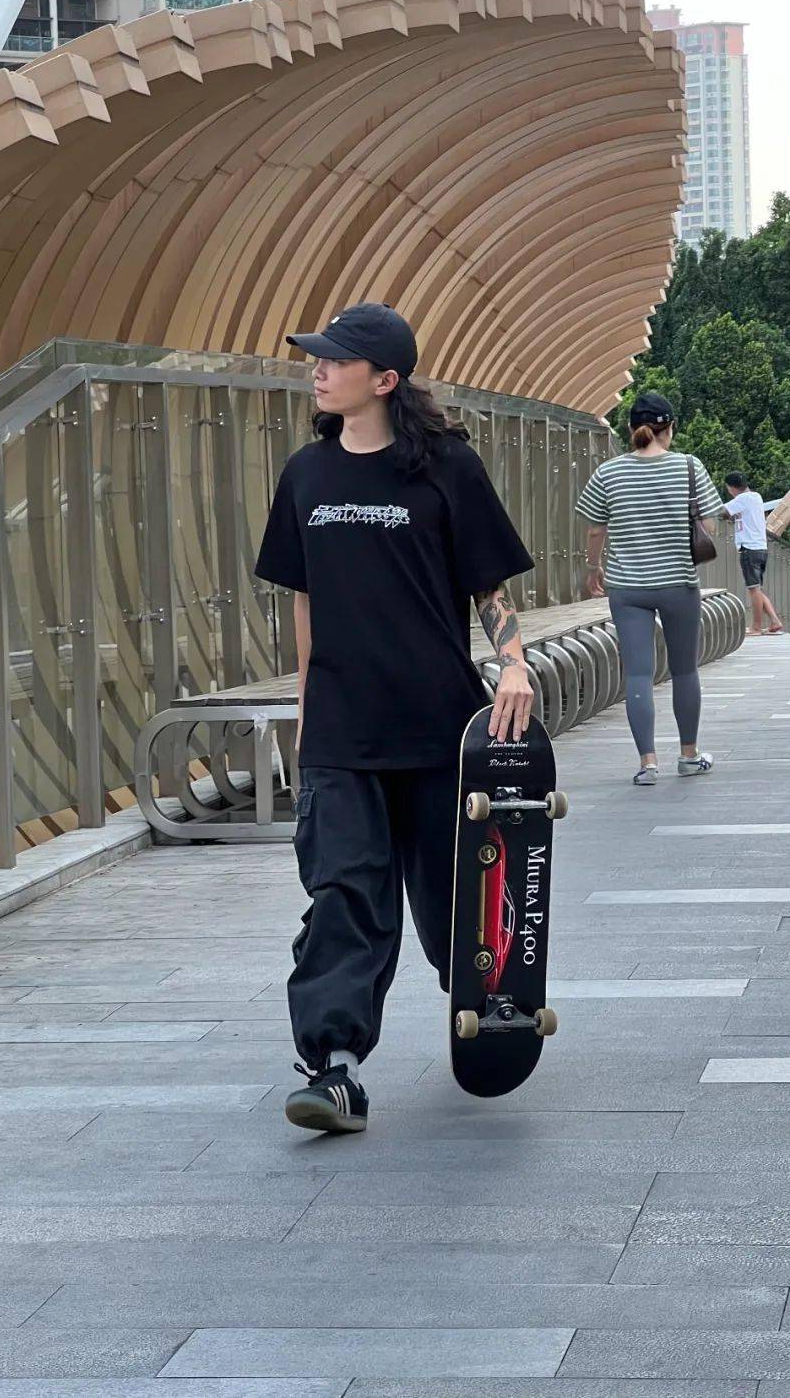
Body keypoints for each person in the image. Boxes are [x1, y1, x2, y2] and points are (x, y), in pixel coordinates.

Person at [254, 303, 536, 1135]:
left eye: (335, 360)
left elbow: (489, 588)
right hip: (343, 732)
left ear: (385, 380)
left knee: (455, 907)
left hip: (441, 728)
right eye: (316, 357)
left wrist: (514, 662)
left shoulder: (446, 468)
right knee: (342, 895)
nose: (317, 368)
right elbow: (304, 602)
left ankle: (487, 1006)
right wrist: (310, 710)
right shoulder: (307, 474)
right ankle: (333, 1068)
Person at [576, 390, 721, 786]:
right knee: (685, 670)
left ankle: (647, 763)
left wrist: (593, 567)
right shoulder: (689, 467)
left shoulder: (609, 473)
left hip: (627, 586)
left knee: (638, 674)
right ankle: (689, 755)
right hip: (678, 583)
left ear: (630, 429)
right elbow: (708, 526)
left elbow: (595, 528)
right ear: (669, 429)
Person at [724, 471, 783, 636]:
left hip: (748, 549)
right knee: (758, 589)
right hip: (761, 548)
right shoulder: (756, 497)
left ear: (731, 487)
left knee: (753, 589)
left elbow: (722, 511)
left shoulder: (741, 499)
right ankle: (775, 621)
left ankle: (756, 627)